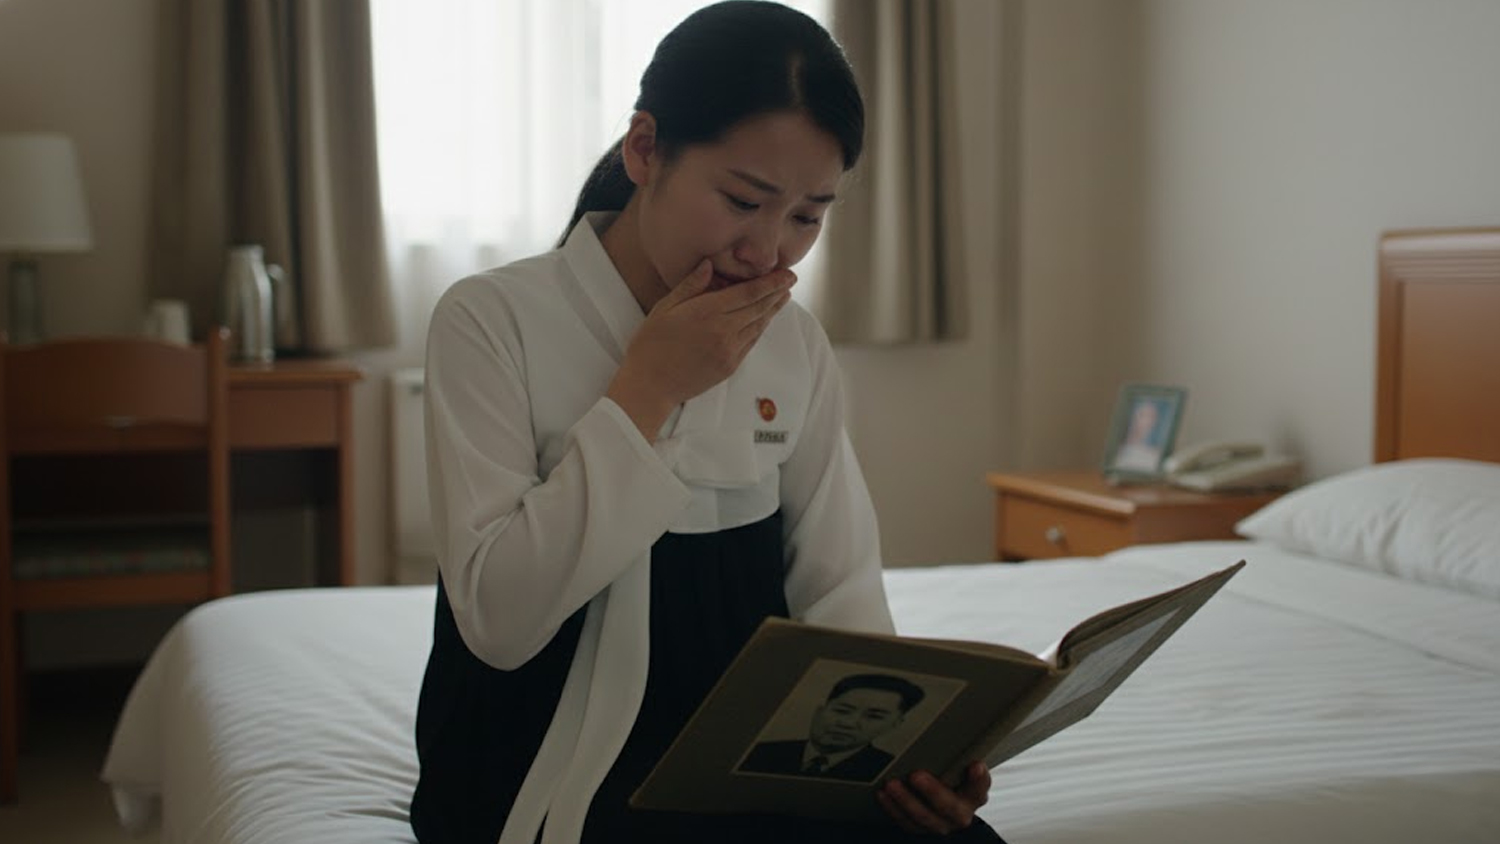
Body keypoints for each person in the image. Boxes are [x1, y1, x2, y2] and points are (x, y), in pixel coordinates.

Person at [409, 3, 1004, 842]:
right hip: (531, 763)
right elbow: (500, 627)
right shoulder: (491, 319)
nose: (766, 251)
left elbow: (839, 595)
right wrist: (647, 390)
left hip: (739, 764)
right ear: (644, 148)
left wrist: (901, 758)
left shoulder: (794, 342)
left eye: (807, 216)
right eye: (742, 200)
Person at [739, 673, 926, 782]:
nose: (848, 723)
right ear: (820, 711)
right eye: (842, 711)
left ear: (895, 725)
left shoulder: (891, 772)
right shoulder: (759, 752)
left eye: (874, 716)